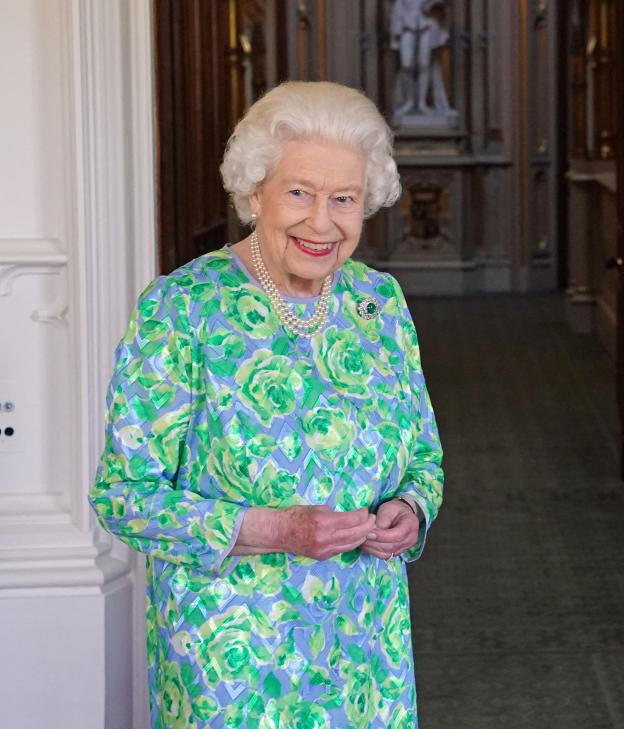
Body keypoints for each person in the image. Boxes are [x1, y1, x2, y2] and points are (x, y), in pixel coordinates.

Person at [91, 81, 443, 728]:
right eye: (299, 192)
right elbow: (124, 495)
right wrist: (277, 529)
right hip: (234, 657)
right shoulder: (182, 307)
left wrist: (411, 509)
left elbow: (423, 454)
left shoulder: (379, 302)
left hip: (366, 646)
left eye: (345, 199)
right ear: (255, 192)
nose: (321, 221)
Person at [382, 0, 460, 120]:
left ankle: (423, 103)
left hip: (428, 20)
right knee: (407, 63)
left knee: (425, 63)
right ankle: (408, 102)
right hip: (406, 18)